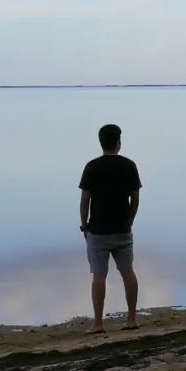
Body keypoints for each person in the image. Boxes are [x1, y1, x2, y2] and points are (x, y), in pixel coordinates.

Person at [78, 123, 142, 334]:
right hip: (122, 228)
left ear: (101, 143)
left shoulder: (92, 167)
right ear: (118, 143)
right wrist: (130, 220)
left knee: (99, 275)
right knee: (127, 271)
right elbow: (135, 199)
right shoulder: (129, 165)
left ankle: (98, 323)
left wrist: (84, 226)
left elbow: (85, 201)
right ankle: (132, 319)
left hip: (98, 230)